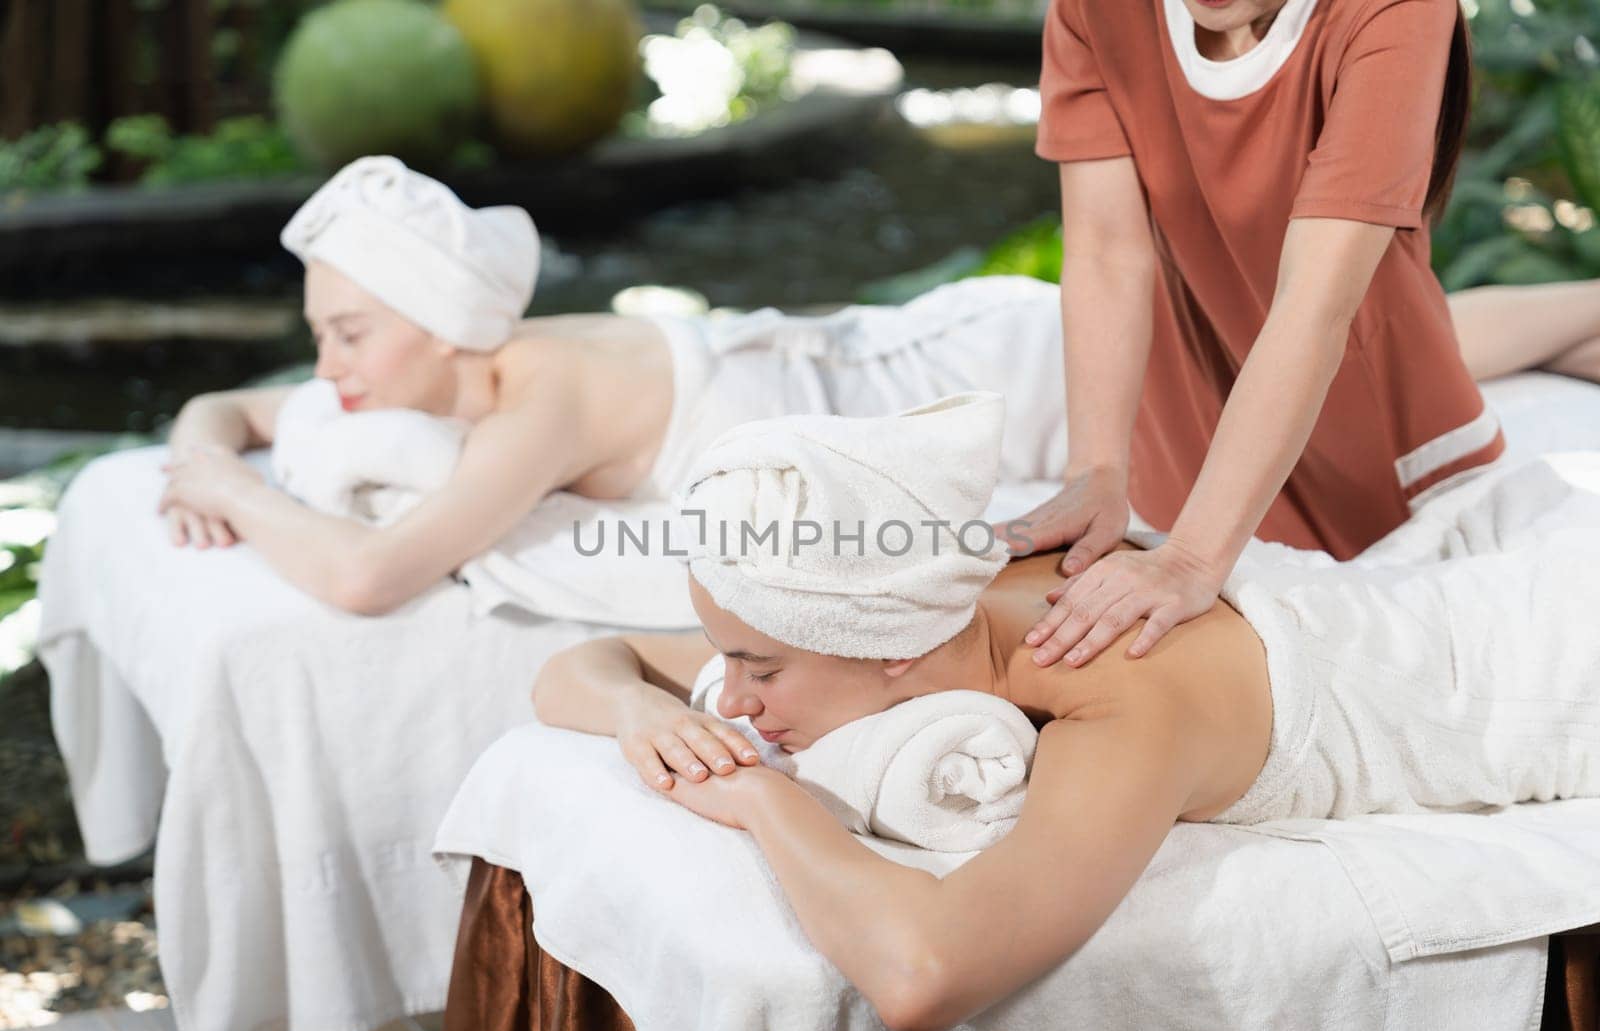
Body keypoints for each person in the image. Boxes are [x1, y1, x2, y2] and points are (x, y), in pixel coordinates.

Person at [533, 394, 1600, 1031]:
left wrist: (764, 799)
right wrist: (635, 707)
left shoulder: (1123, 690)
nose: (740, 701)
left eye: (755, 668)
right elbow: (581, 662)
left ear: (893, 648)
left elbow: (922, 976)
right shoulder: (927, 581)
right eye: (728, 663)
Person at [159, 157, 1599, 616]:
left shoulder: (531, 391)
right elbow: (235, 407)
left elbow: (370, 578)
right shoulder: (445, 366)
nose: (331, 368)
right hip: (920, 355)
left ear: (432, 324)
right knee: (1361, 358)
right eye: (327, 334)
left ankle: (1585, 303)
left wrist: (216, 484)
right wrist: (199, 436)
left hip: (993, 373)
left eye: (349, 333)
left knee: (1367, 359)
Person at [1001, 0, 1600, 672]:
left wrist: (1195, 557)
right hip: (1201, 408)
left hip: (1369, 453)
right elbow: (1109, 250)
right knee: (1431, 327)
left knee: (1409, 331)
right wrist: (1097, 472)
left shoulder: (1397, 10)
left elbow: (1313, 307)